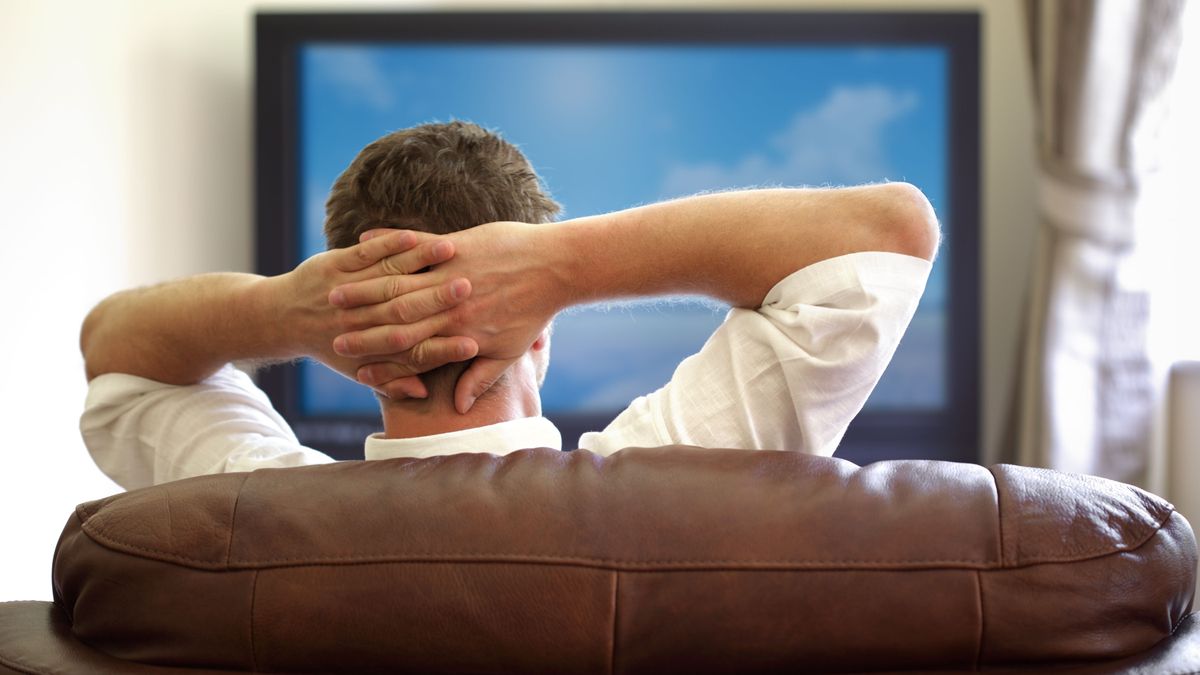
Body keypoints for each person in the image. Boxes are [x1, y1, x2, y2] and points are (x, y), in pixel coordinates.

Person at [80, 121, 938, 490]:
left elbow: (114, 352)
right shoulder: (672, 480)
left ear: (352, 345)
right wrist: (562, 267)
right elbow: (890, 231)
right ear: (540, 332)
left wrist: (284, 313)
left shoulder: (251, 510)